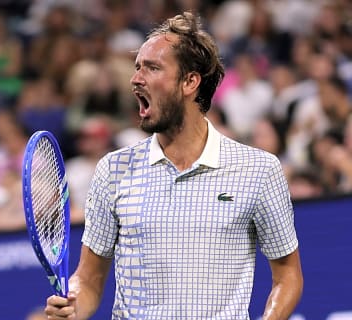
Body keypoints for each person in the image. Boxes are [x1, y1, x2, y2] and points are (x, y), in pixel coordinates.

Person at [45, 12, 302, 319]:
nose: (135, 78)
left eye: (152, 68)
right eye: (137, 67)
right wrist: (74, 303)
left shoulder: (259, 170)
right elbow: (88, 278)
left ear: (189, 82)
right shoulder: (112, 169)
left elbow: (288, 275)